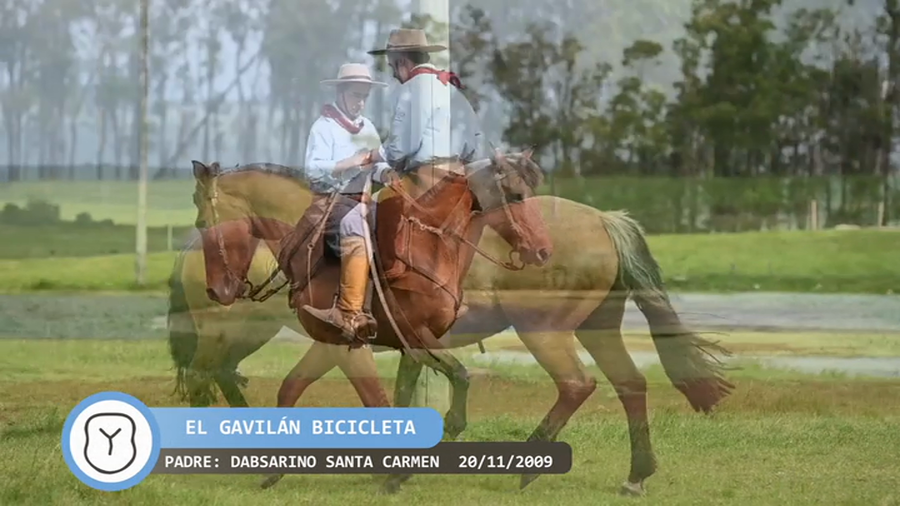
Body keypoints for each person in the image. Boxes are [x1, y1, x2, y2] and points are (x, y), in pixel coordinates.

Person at [362, 28, 489, 318]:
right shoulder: (450, 85)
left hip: (425, 177)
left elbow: (401, 148)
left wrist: (374, 160)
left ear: (401, 61)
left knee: (365, 212)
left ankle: (376, 286)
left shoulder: (409, 90)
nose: (393, 73)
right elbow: (475, 138)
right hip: (458, 176)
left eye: (393, 66)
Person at [300, 63, 391, 340]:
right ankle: (349, 311)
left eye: (364, 96)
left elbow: (374, 165)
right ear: (341, 93)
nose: (360, 102)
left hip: (363, 198)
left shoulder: (368, 127)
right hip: (332, 200)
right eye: (355, 95)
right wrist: (346, 163)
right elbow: (312, 169)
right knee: (356, 229)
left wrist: (385, 172)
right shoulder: (323, 127)